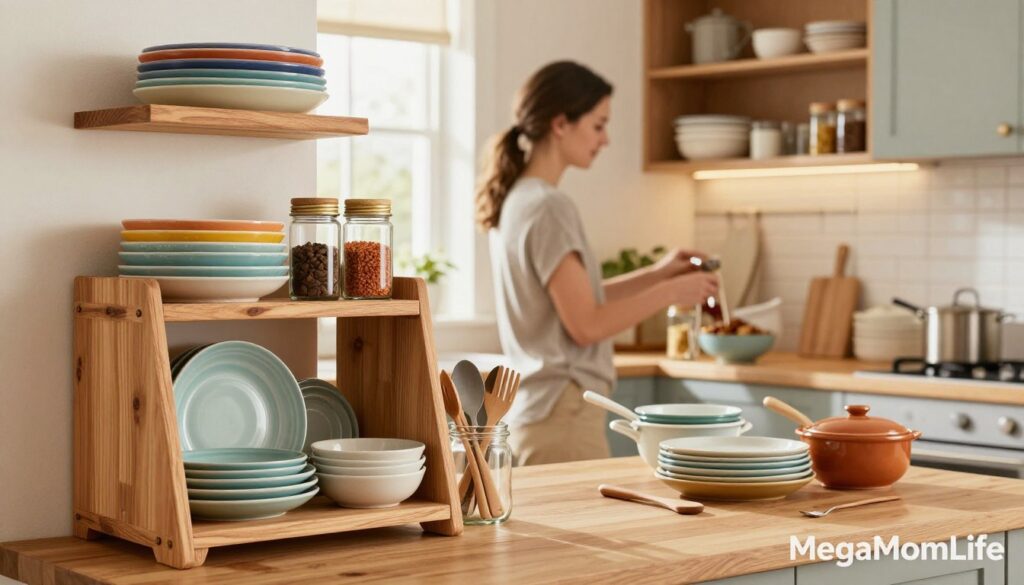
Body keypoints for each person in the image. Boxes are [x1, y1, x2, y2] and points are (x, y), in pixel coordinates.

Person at [475, 61, 718, 466]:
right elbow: (586, 325)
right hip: (563, 415)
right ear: (560, 123)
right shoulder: (549, 206)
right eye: (598, 124)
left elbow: (581, 302)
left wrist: (659, 273)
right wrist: (672, 292)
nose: (605, 140)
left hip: (538, 411)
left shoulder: (519, 199)